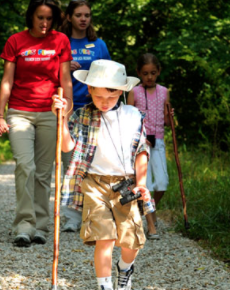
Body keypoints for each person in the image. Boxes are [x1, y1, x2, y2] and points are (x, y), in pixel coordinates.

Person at [52, 59, 151, 290]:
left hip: (126, 184)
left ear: (122, 91)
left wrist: (142, 183)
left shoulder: (134, 115)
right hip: (94, 184)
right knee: (104, 238)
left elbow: (142, 151)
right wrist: (62, 118)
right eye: (98, 97)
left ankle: (125, 269)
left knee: (131, 241)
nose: (104, 103)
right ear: (89, 89)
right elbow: (67, 147)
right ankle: (104, 286)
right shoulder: (82, 115)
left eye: (111, 97)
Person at [0, 0, 73, 247]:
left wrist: (66, 111)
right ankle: (24, 225)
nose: (45, 23)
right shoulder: (16, 41)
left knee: (43, 172)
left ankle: (41, 225)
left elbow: (66, 80)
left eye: (50, 18)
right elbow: (7, 81)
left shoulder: (61, 40)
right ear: (31, 16)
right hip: (19, 111)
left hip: (50, 112)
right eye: (41, 17)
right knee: (25, 166)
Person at [59, 0, 111, 232]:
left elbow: (110, 77)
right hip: (68, 108)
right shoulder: (60, 42)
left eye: (87, 15)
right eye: (78, 15)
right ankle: (71, 215)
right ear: (69, 17)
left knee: (94, 162)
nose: (83, 19)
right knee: (71, 163)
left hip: (93, 108)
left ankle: (94, 211)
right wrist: (63, 67)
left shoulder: (98, 44)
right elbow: (47, 71)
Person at [127, 53, 173, 240]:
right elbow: (127, 118)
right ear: (139, 73)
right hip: (140, 142)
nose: (149, 77)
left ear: (159, 72)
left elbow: (169, 122)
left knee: (162, 182)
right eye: (145, 73)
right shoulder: (134, 92)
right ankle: (151, 225)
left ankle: (149, 207)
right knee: (144, 183)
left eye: (153, 73)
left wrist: (171, 115)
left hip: (158, 141)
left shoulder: (164, 92)